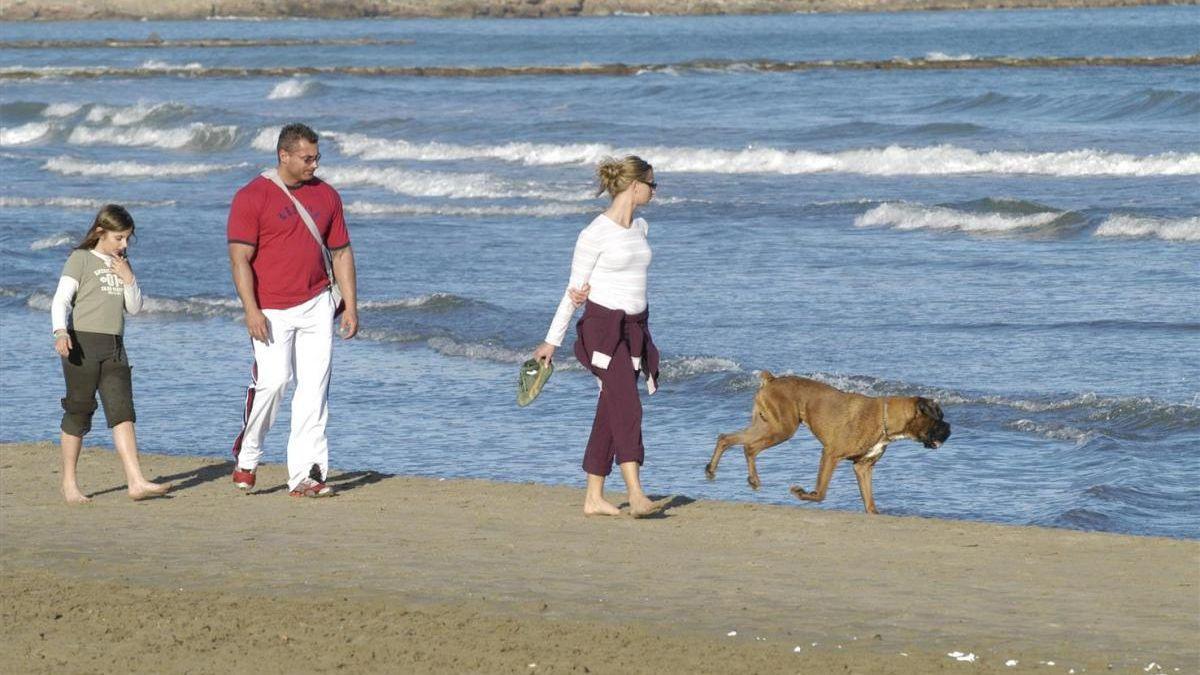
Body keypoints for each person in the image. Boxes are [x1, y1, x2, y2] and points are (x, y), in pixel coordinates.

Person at [226, 122, 359, 498]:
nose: (314, 164)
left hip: (317, 303)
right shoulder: (252, 196)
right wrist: (251, 310)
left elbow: (342, 252)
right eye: (307, 158)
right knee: (275, 382)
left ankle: (307, 475)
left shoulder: (328, 196)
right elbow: (239, 259)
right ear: (284, 155)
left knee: (314, 390)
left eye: (317, 157)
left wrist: (350, 305)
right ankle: (248, 455)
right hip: (270, 309)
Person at [532, 155, 666, 517]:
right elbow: (573, 291)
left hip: (635, 329)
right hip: (601, 331)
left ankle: (593, 497)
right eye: (653, 184)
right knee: (627, 403)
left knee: (611, 406)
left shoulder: (641, 228)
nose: (656, 191)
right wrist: (551, 342)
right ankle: (636, 493)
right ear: (635, 185)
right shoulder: (593, 234)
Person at [51, 204, 169, 503]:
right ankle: (68, 484)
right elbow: (61, 300)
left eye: (128, 238)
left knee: (123, 413)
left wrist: (128, 278)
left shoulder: (121, 263)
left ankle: (136, 481)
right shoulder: (81, 259)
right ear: (101, 232)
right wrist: (60, 332)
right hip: (82, 345)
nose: (124, 244)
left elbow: (135, 307)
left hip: (115, 347)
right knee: (79, 413)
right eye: (119, 238)